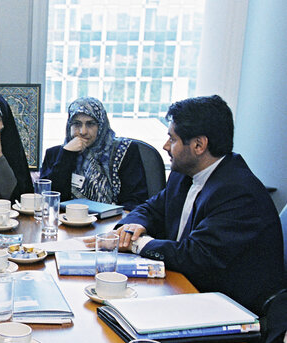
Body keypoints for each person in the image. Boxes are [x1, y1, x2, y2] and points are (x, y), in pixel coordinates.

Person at [116, 95, 284, 316]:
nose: (166, 146)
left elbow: (196, 256)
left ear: (198, 145)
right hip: (184, 290)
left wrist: (138, 244)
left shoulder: (238, 193)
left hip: (229, 310)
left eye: (173, 139)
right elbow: (151, 208)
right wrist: (132, 227)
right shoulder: (184, 175)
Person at [40, 97, 148, 210]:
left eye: (90, 124)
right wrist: (66, 155)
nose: (83, 132)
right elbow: (49, 201)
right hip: (66, 223)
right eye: (76, 124)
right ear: (69, 125)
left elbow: (135, 201)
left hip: (112, 223)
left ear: (101, 125)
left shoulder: (124, 151)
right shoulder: (55, 154)